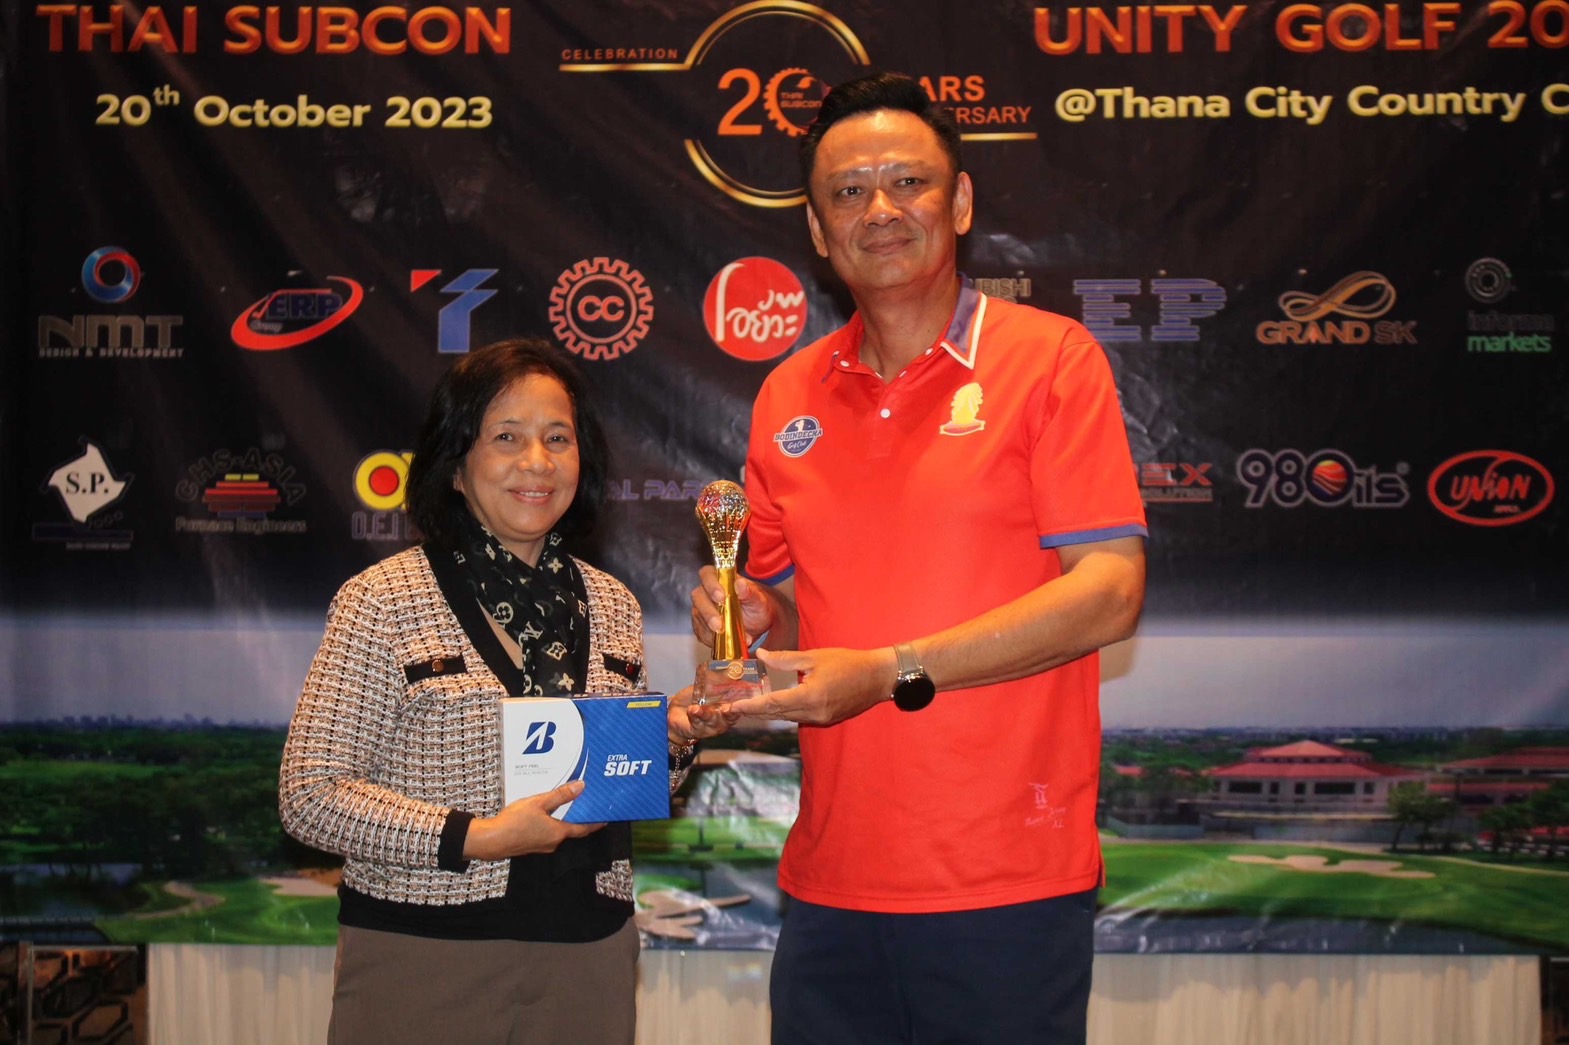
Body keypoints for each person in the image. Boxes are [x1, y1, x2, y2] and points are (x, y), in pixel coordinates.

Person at [675, 72, 1149, 1044]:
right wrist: (759, 621)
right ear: (817, 229)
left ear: (960, 201)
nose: (880, 211)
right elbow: (796, 614)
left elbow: (1108, 592)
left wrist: (892, 671)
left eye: (908, 182)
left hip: (1005, 882)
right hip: (830, 882)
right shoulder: (787, 394)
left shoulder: (1051, 359)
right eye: (848, 192)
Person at [280, 338, 684, 1044]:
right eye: (506, 437)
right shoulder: (384, 599)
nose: (537, 461)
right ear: (456, 466)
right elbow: (309, 796)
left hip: (589, 950)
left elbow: (620, 783)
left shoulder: (612, 603)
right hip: (425, 953)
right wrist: (479, 837)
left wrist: (675, 739)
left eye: (557, 438)